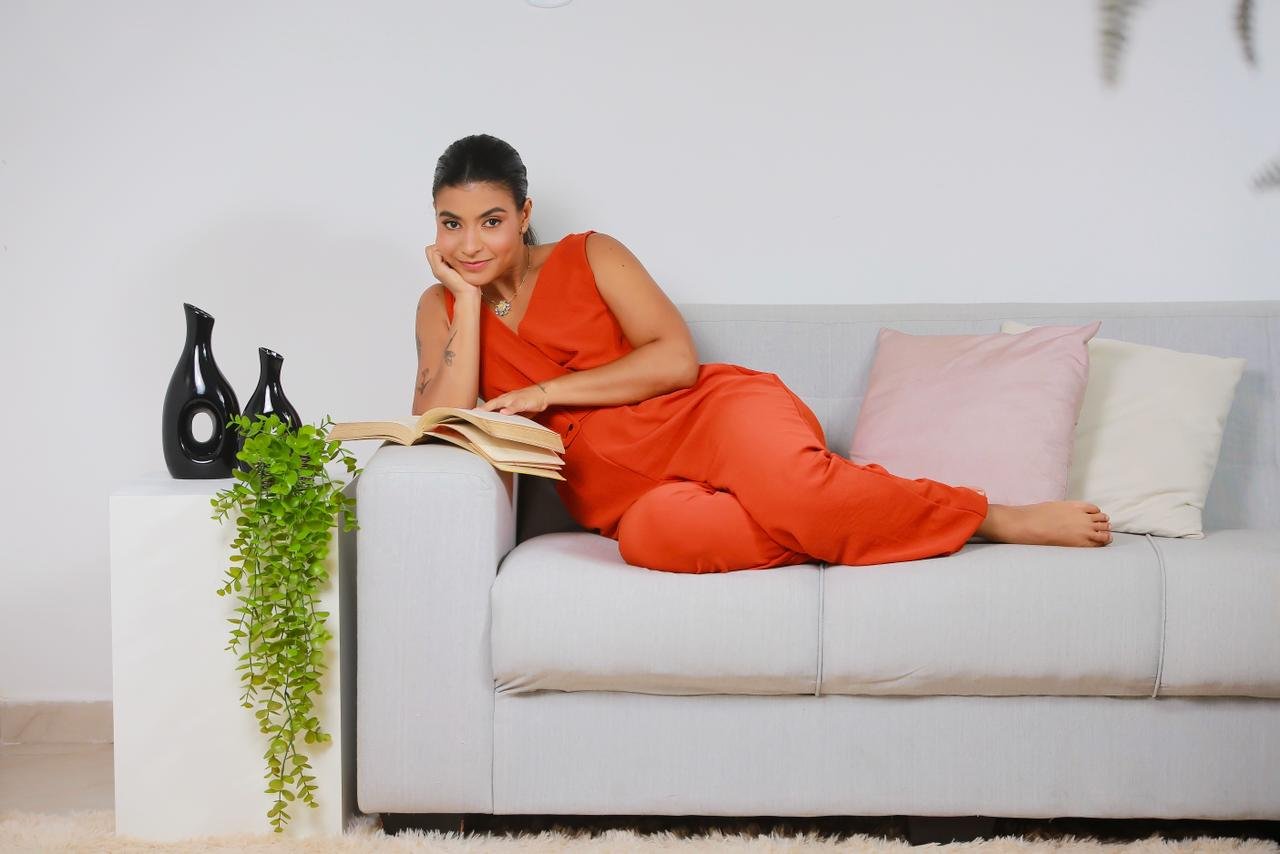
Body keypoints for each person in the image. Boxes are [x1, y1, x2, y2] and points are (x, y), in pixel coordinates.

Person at [411, 133, 1112, 574]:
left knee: (797, 490)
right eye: (452, 224)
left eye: (491, 222)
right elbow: (438, 420)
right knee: (657, 543)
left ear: (525, 215)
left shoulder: (592, 253)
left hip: (710, 417)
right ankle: (844, 511)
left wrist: (547, 393)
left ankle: (990, 516)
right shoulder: (440, 308)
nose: (471, 244)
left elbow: (674, 361)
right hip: (635, 500)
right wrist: (467, 302)